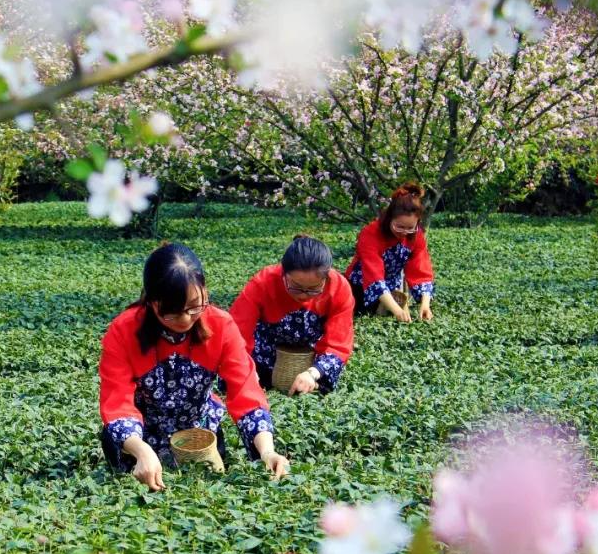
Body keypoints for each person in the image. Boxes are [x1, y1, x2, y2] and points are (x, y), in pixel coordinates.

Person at [98, 243, 291, 490]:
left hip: (199, 435)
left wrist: (267, 451)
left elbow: (245, 391)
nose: (186, 318)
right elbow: (117, 401)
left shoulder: (221, 325)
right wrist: (142, 450)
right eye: (173, 312)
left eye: (195, 306)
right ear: (151, 301)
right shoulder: (123, 331)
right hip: (139, 437)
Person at [229, 235, 354, 395]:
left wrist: (314, 373)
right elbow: (237, 332)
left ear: (326, 278)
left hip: (310, 351)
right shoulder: (263, 282)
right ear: (283, 272)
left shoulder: (339, 287)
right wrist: (245, 368)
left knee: (325, 381)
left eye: (314, 289)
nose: (303, 295)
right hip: (267, 348)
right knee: (235, 379)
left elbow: (339, 343)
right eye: (295, 287)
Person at [345, 182, 435, 320]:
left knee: (390, 307)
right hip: (360, 286)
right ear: (389, 218)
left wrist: (425, 304)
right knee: (357, 310)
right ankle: (385, 305)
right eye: (399, 227)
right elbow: (373, 275)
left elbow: (421, 270)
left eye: (410, 228)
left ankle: (388, 304)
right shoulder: (370, 233)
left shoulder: (416, 235)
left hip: (391, 286)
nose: (404, 233)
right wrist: (397, 311)